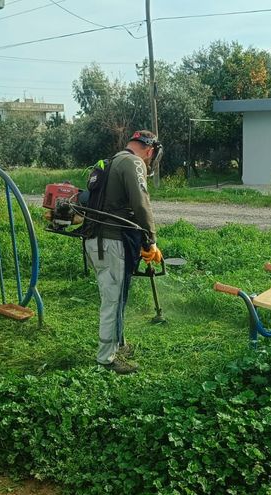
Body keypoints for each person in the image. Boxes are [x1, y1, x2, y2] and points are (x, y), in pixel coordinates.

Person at [83, 130, 163, 374]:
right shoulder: (134, 163)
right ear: (149, 151)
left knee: (117, 297)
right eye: (151, 156)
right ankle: (106, 359)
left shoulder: (111, 161)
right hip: (111, 242)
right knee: (113, 301)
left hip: (97, 240)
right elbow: (141, 202)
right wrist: (151, 240)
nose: (149, 160)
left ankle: (118, 343)